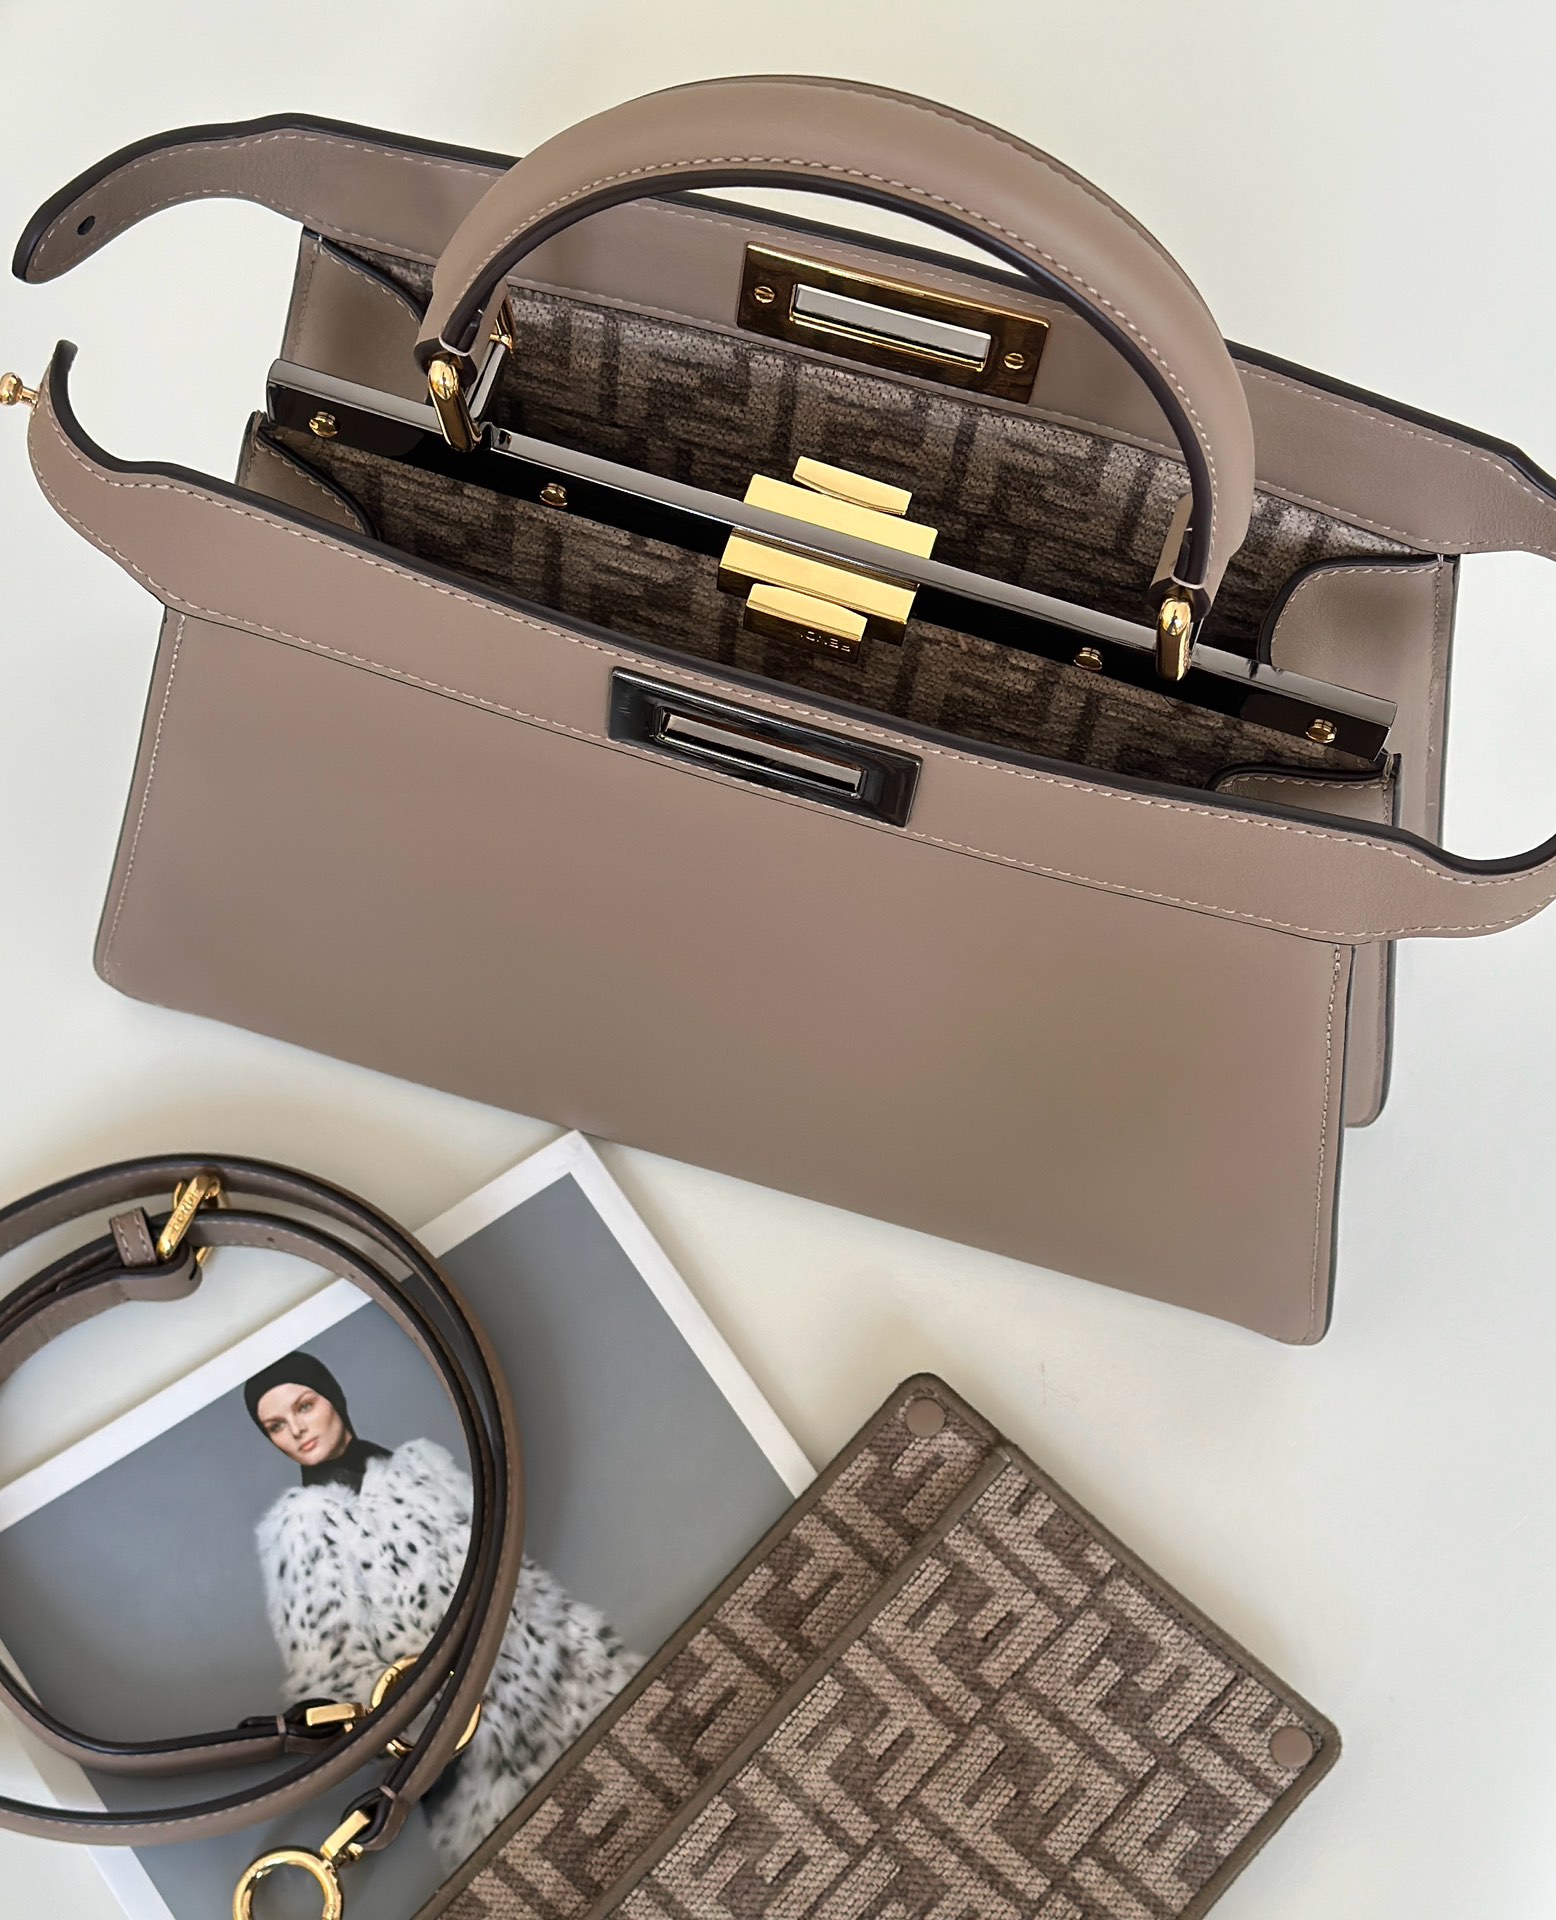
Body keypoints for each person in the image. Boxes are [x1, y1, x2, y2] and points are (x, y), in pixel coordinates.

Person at [243, 1352, 639, 1869]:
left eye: (304, 1406)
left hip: (565, 1674)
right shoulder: (301, 1531)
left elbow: (512, 1571)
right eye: (276, 1426)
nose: (297, 1430)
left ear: (334, 1399)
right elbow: (332, 1670)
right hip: (471, 1749)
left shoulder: (422, 1470)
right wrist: (440, 1724)